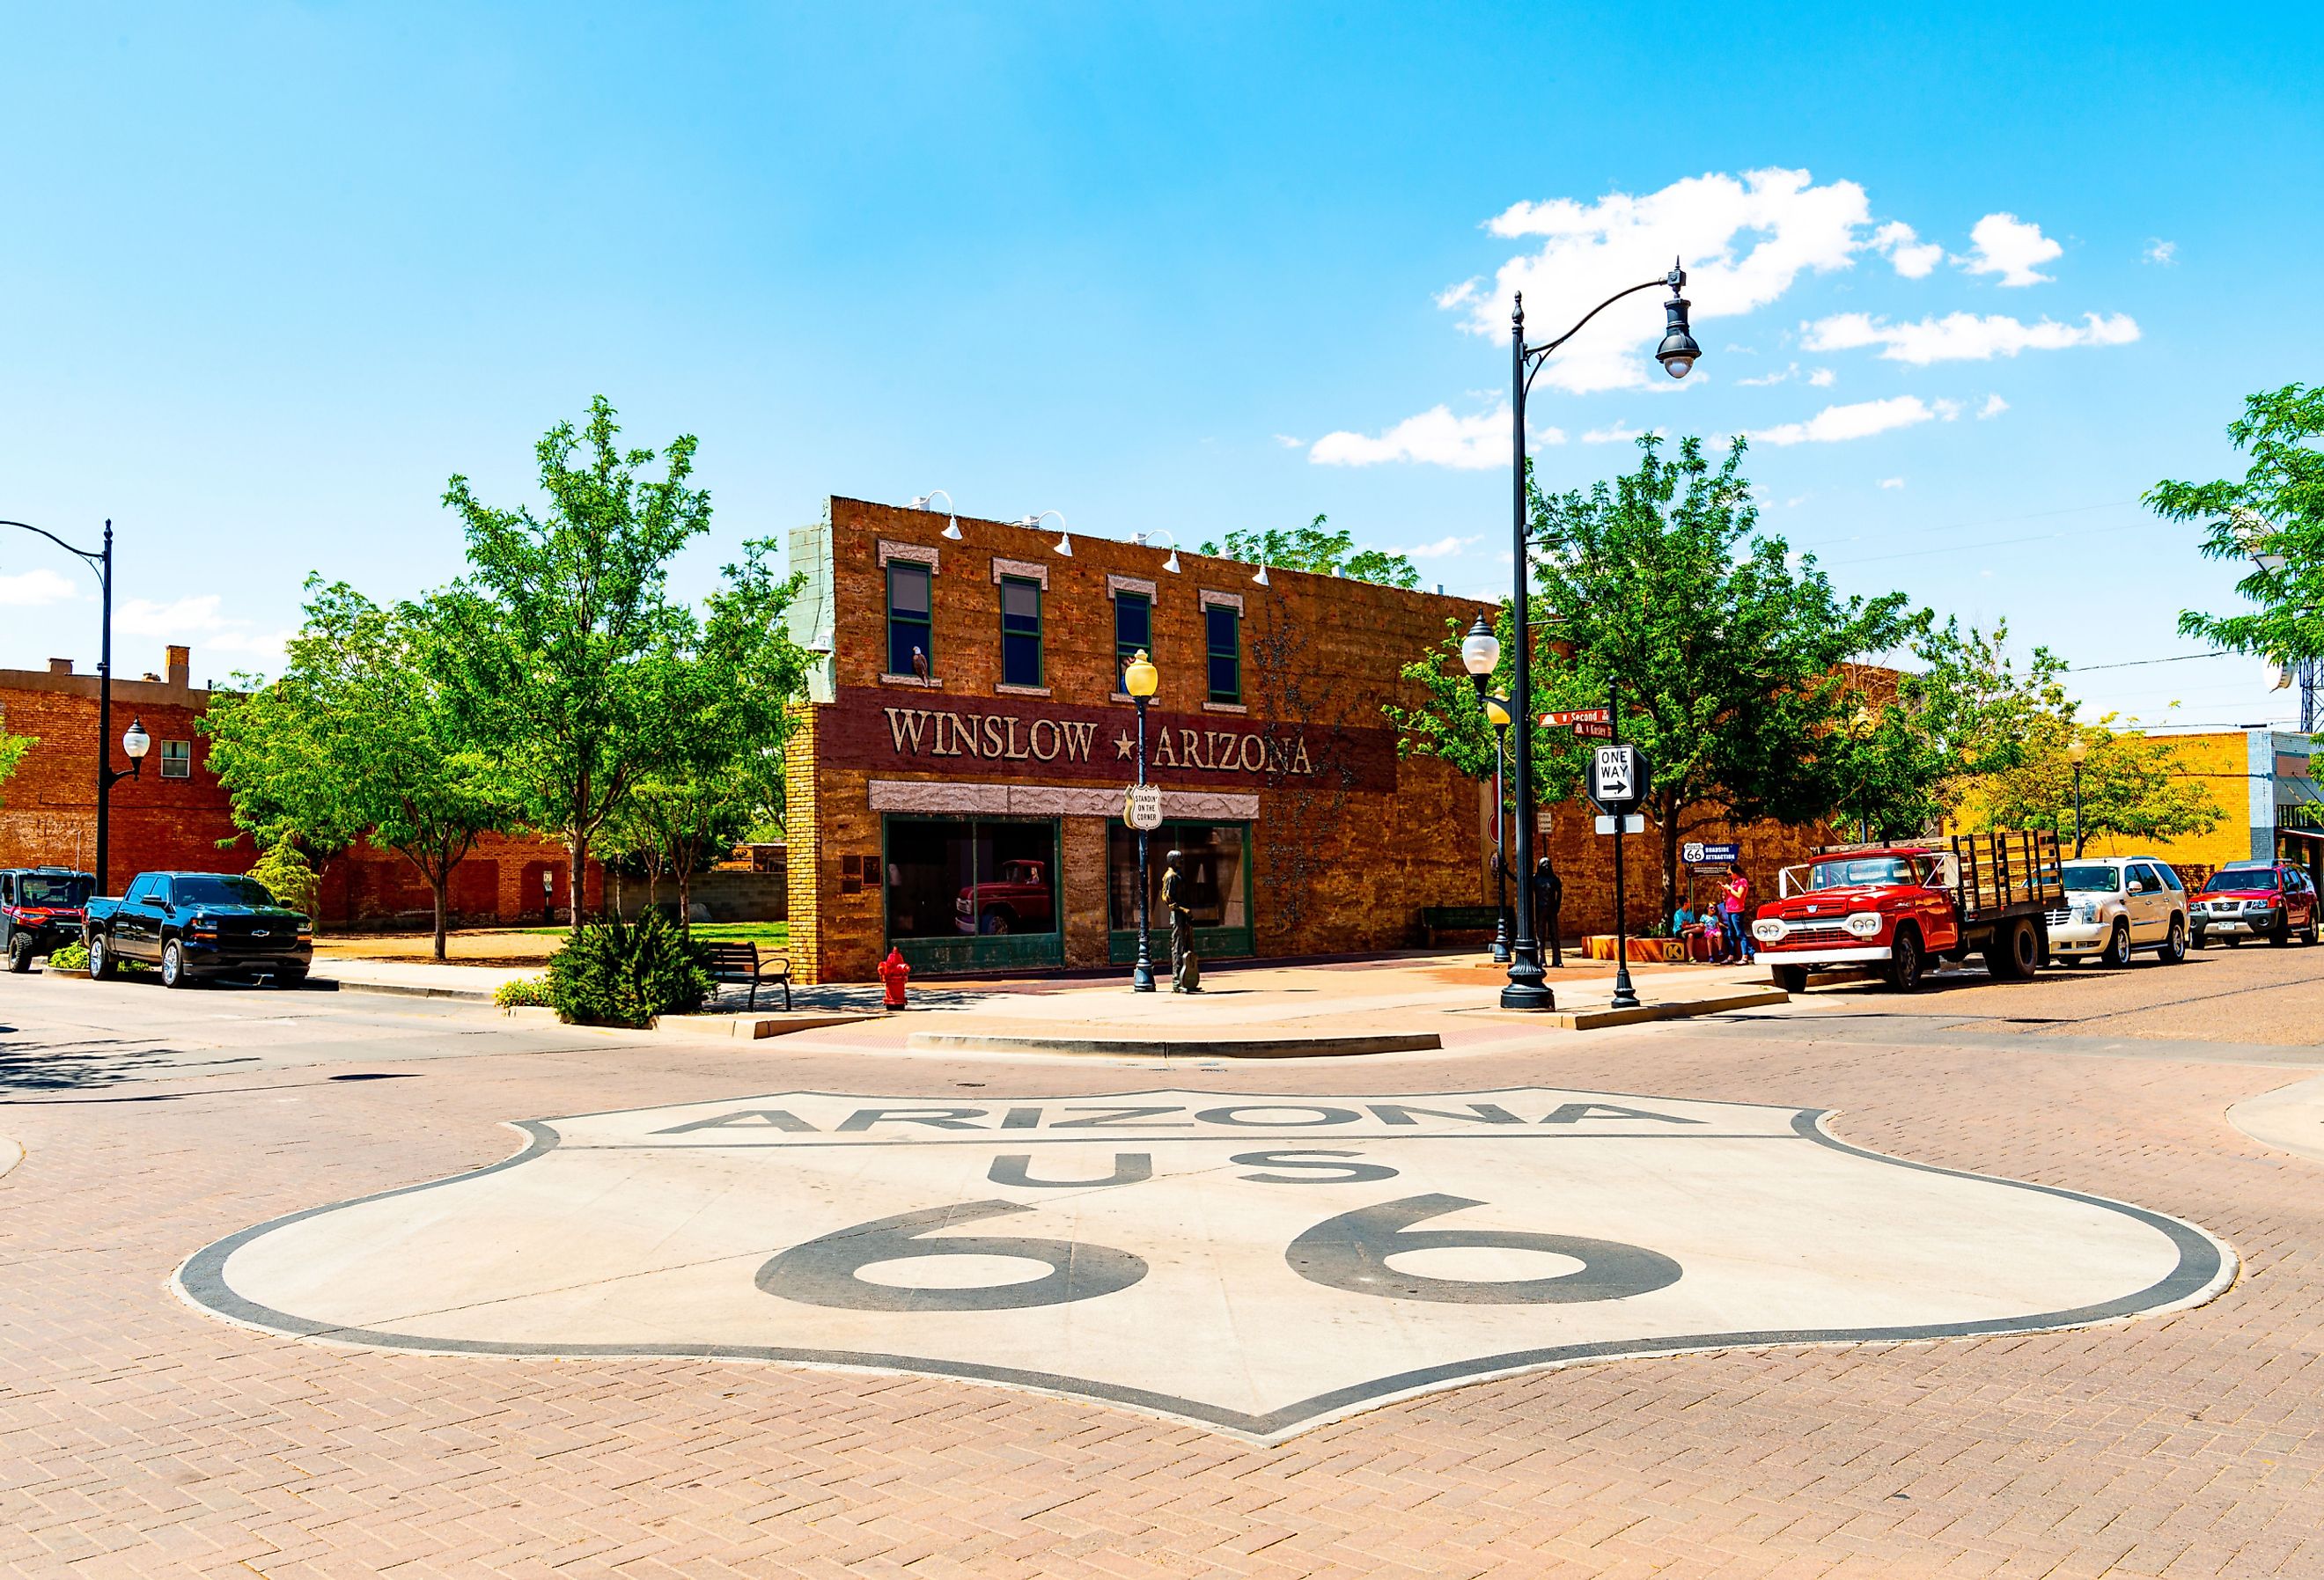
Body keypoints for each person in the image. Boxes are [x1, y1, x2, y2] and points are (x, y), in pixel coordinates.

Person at [1161, 849, 1201, 993]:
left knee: (1186, 946)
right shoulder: (1170, 877)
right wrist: (1184, 910)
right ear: (1172, 861)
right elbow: (1167, 899)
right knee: (1177, 947)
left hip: (1184, 915)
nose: (1182, 862)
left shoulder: (1179, 876)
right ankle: (1177, 981)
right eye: (1179, 860)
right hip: (1178, 916)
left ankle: (1187, 979)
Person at [1529, 856, 1563, 969]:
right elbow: (1520, 880)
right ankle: (1541, 959)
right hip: (1540, 911)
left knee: (1555, 935)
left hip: (1552, 910)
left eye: (1548, 865)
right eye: (1544, 865)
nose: (1547, 867)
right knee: (1540, 936)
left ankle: (1557, 960)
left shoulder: (1553, 879)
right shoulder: (1536, 879)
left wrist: (1558, 905)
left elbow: (1559, 892)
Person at [1719, 863, 1754, 962]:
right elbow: (1730, 895)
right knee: (1730, 934)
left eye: (1730, 873)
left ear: (1735, 873)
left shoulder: (1742, 882)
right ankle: (1731, 955)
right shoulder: (1733, 882)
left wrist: (1729, 888)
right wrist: (1724, 889)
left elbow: (1739, 895)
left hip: (1737, 911)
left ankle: (1745, 956)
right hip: (1730, 910)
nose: (1729, 875)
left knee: (1740, 933)